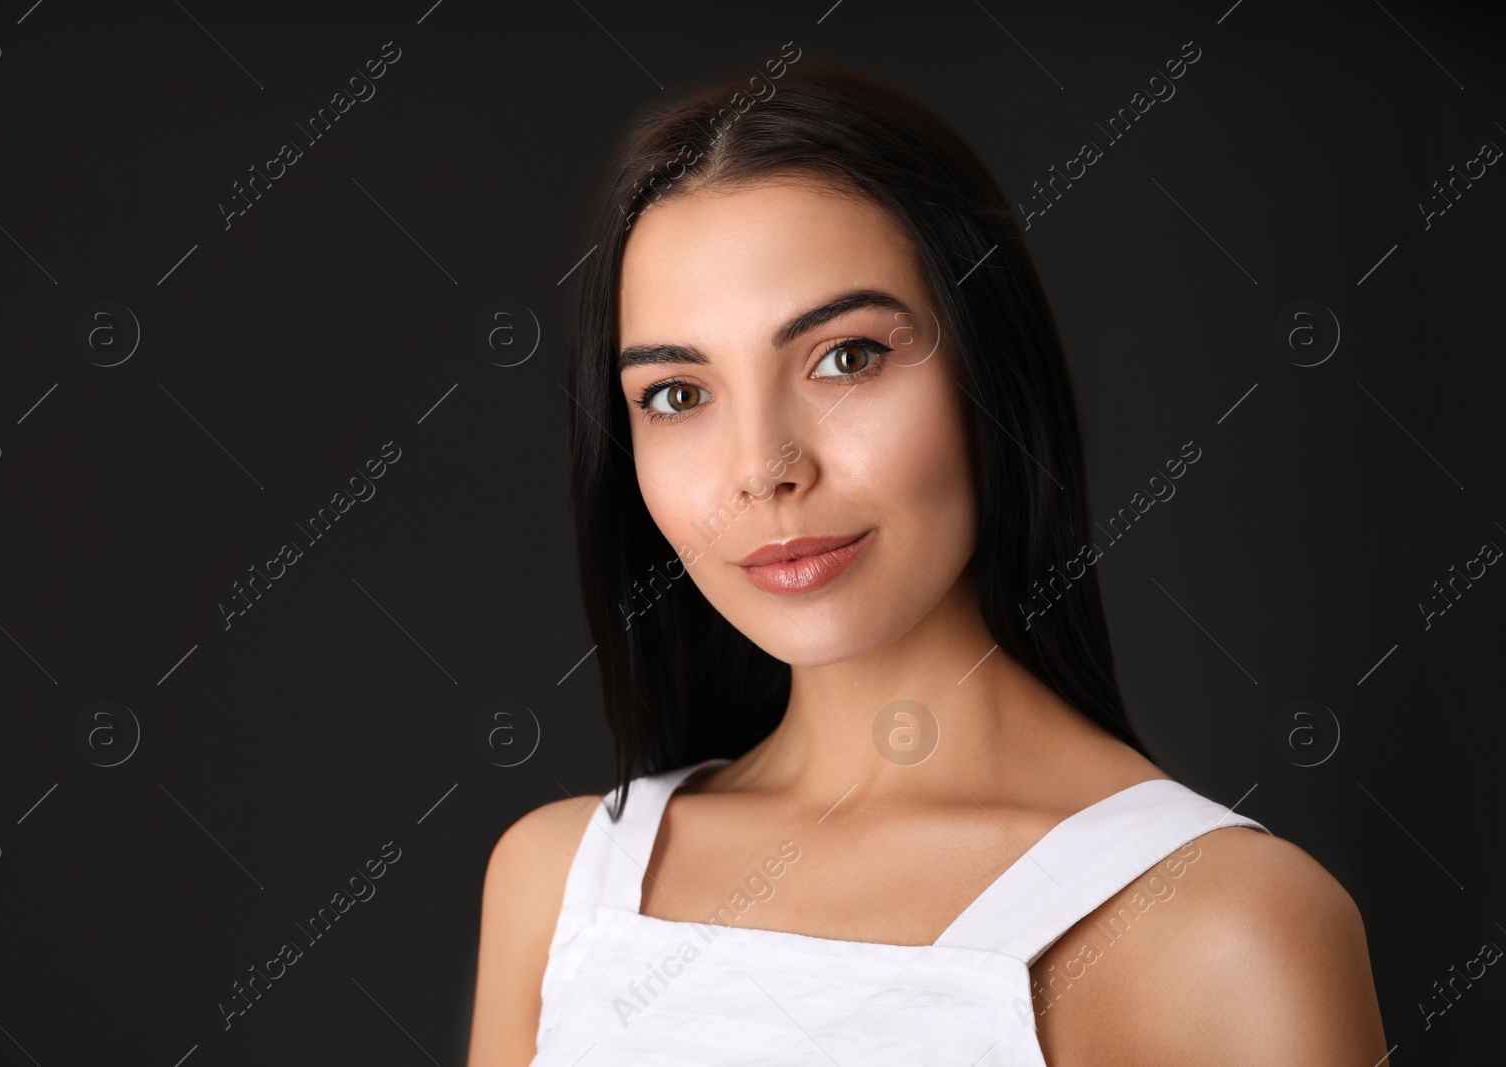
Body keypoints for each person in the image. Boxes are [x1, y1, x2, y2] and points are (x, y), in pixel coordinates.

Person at [469, 61, 1389, 1065]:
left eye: (845, 357)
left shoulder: (1225, 924)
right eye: (679, 395)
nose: (764, 470)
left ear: (985, 373)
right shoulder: (559, 884)